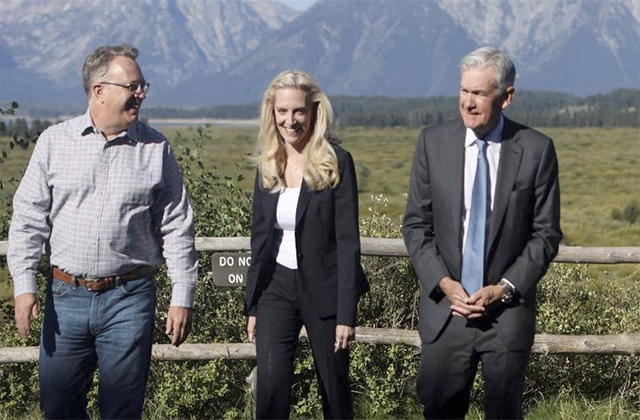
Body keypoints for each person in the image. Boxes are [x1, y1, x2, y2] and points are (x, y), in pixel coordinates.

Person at [7, 43, 198, 419]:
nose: (141, 94)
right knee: (59, 409)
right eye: (133, 86)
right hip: (64, 298)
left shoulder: (156, 148)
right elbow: (28, 218)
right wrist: (24, 285)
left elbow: (177, 224)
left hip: (130, 296)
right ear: (100, 90)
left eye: (143, 86)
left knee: (122, 412)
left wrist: (183, 294)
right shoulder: (54, 143)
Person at [402, 46, 562, 419]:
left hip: (506, 316)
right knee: (439, 410)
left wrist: (503, 289)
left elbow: (546, 234)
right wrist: (443, 282)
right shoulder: (432, 142)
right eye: (463, 91)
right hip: (447, 313)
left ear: (507, 96)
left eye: (479, 93)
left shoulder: (536, 150)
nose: (468, 103)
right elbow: (415, 225)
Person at [244, 70, 369, 419]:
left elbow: (347, 244)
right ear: (272, 113)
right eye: (282, 111)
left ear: (314, 111)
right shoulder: (267, 164)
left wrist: (346, 314)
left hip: (325, 290)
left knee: (334, 390)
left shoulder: (336, 161)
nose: (290, 120)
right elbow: (260, 239)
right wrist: (253, 304)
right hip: (275, 288)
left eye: (298, 111)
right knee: (270, 390)